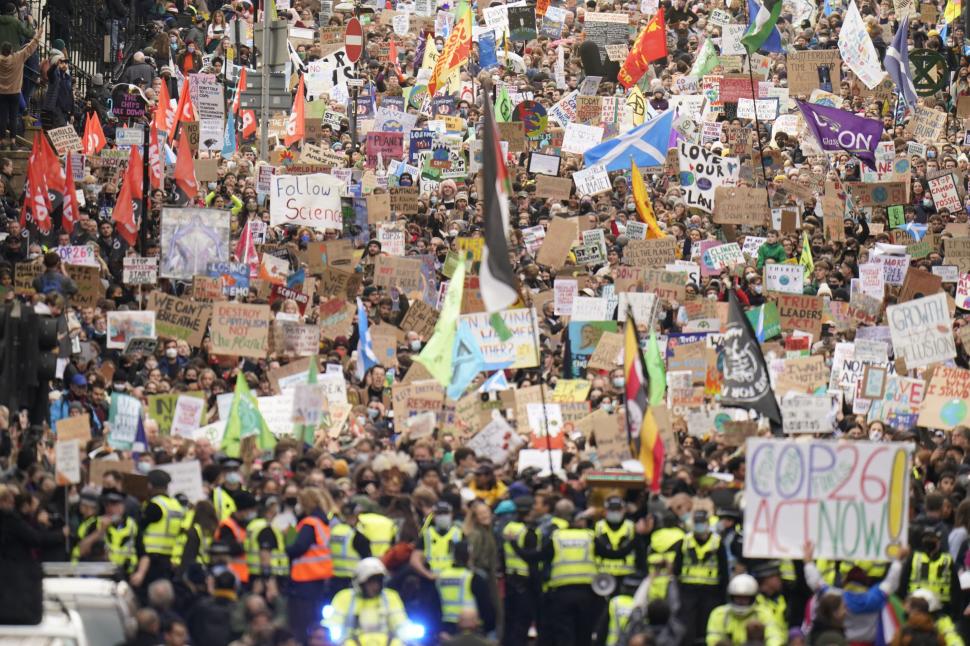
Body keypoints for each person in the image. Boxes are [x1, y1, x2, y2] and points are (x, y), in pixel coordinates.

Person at [323, 557, 412, 643]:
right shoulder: (344, 597)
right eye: (371, 582)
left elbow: (400, 621)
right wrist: (327, 631)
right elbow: (333, 623)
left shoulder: (390, 596)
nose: (375, 586)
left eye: (378, 581)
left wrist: (405, 634)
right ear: (360, 582)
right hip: (351, 643)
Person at [674, 510, 728, 645]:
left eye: (702, 523)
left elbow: (724, 570)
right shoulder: (684, 542)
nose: (699, 526)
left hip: (711, 591)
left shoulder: (717, 543)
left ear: (708, 524)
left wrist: (723, 594)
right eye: (697, 523)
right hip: (688, 590)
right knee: (688, 625)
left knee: (707, 624)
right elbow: (676, 568)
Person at [286, 487, 334, 638]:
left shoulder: (309, 523)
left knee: (302, 623)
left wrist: (286, 546)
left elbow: (298, 547)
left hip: (305, 580)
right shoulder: (322, 523)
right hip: (319, 578)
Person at [131, 470, 185, 597]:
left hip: (151, 558)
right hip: (169, 558)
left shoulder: (154, 506)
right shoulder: (176, 505)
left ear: (149, 485)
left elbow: (138, 527)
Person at [705, 574, 786, 646]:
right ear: (731, 597)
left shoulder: (763, 613)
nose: (741, 601)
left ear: (753, 597)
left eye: (745, 598)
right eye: (738, 597)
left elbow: (774, 636)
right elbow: (712, 640)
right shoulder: (719, 613)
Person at [436, 540, 496, 636]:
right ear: (469, 556)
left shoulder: (441, 576)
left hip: (446, 629)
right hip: (471, 629)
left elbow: (433, 604)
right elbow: (486, 607)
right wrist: (489, 627)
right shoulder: (474, 578)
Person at [0, 20, 40, 149]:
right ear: (11, 50)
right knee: (13, 117)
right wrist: (37, 35)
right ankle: (12, 142)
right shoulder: (18, 57)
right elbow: (30, 47)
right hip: (15, 93)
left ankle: (0, 141)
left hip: (2, 93)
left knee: (2, 116)